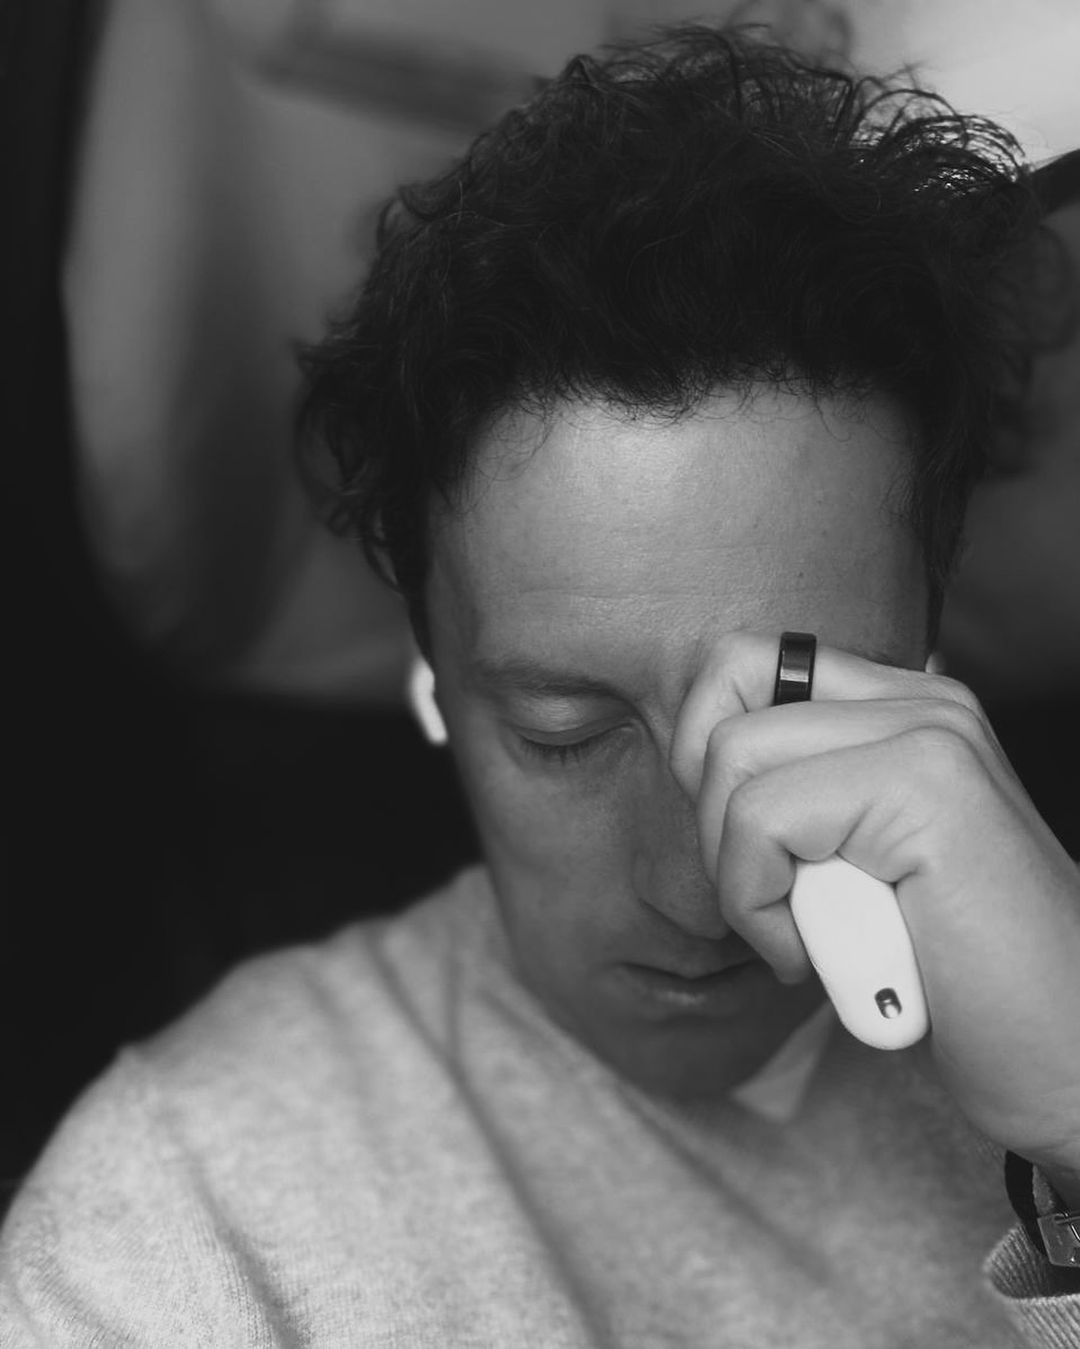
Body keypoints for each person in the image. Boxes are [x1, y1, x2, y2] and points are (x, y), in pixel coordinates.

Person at [2, 23, 1079, 1346]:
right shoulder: (174, 1214)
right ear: (434, 680)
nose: (705, 889)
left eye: (794, 710)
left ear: (930, 642)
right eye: (565, 733)